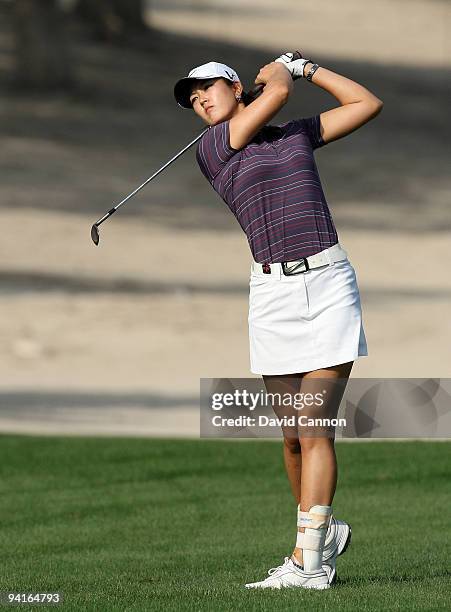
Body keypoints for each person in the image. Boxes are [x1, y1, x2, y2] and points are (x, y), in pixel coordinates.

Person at [174, 54, 383, 590]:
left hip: (329, 281)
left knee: (313, 426)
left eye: (207, 88)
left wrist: (308, 68)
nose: (199, 99)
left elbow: (366, 103)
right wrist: (281, 75)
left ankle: (309, 561)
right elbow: (279, 94)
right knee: (292, 437)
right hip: (271, 293)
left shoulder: (293, 136)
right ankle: (321, 530)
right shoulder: (214, 148)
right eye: (192, 97)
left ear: (235, 86)